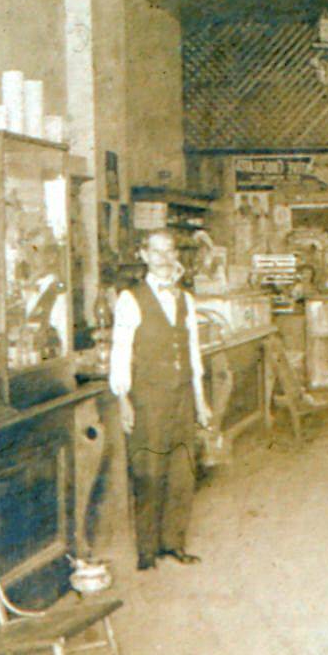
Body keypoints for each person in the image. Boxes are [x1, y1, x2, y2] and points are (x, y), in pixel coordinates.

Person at [108, 229, 213, 569]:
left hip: (182, 394)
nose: (164, 258)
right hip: (148, 396)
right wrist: (123, 399)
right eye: (157, 251)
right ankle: (147, 550)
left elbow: (193, 352)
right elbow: (120, 352)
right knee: (149, 471)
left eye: (169, 251)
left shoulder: (185, 299)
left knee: (182, 471)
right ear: (144, 255)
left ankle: (174, 543)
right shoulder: (131, 299)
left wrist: (200, 400)